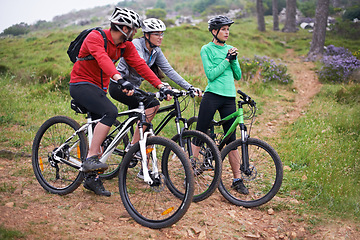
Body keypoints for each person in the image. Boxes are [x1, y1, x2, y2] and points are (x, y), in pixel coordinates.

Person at [69, 8, 168, 196]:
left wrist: (159, 84)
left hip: (99, 89)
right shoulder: (95, 37)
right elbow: (103, 59)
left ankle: (91, 179)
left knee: (102, 125)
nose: (136, 33)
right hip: (81, 84)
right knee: (110, 112)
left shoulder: (126, 46)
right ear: (124, 28)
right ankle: (90, 158)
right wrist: (119, 78)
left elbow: (140, 66)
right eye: (134, 29)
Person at [109, 18, 201, 178]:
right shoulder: (136, 46)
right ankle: (132, 148)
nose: (160, 37)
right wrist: (161, 86)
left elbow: (170, 71)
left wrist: (189, 87)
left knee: (146, 128)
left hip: (135, 90)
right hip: (119, 86)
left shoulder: (156, 51)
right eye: (156, 34)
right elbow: (140, 68)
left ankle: (142, 165)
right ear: (146, 35)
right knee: (152, 104)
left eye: (162, 34)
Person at [195, 15, 249, 194]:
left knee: (231, 139)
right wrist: (226, 60)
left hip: (228, 97)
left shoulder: (230, 50)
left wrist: (233, 60)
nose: (227, 32)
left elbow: (238, 75)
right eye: (224, 29)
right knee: (200, 132)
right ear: (214, 31)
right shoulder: (206, 49)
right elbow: (211, 75)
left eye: (228, 30)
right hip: (212, 95)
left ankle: (237, 178)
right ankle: (190, 171)